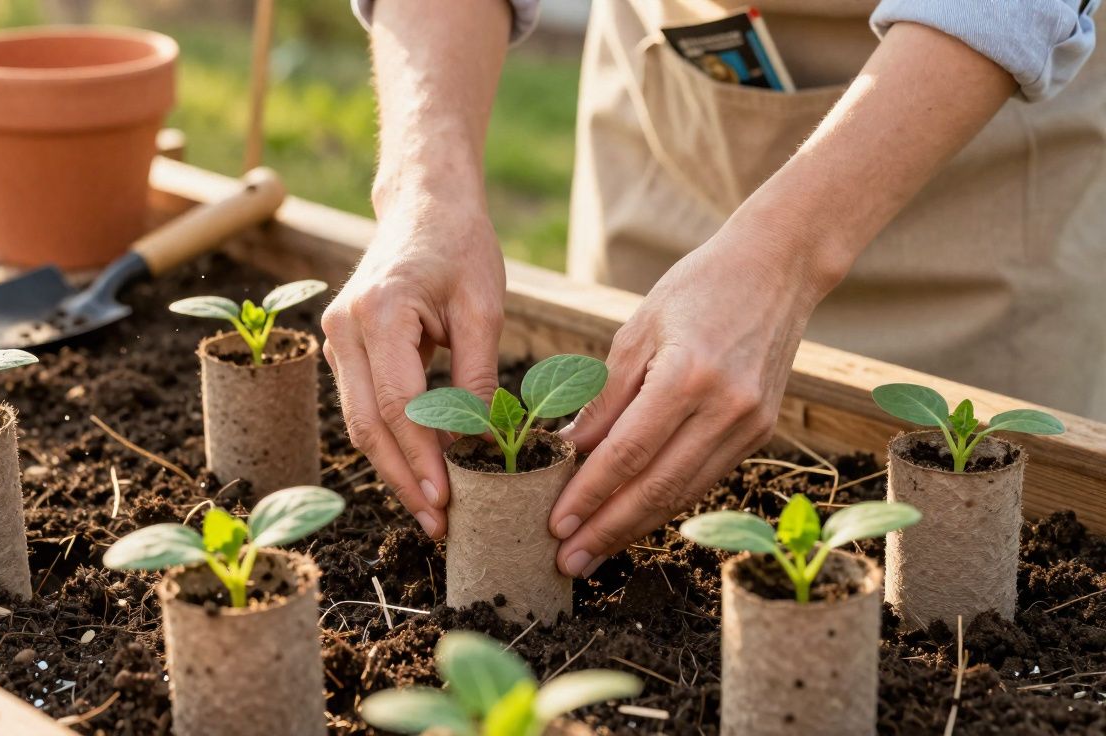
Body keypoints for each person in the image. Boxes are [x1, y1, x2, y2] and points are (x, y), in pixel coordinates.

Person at [321, 0, 1104, 579]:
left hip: (972, 124)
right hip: (679, 86)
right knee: (622, 426)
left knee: (996, 536)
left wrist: (789, 253)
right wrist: (424, 185)